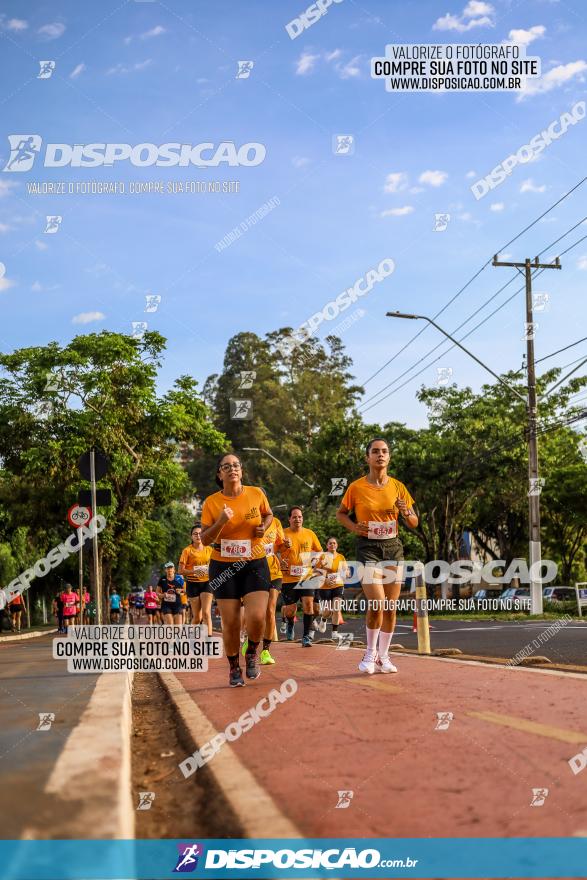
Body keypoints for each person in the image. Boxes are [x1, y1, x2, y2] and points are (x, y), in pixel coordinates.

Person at [336, 437, 418, 674]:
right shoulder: (356, 487)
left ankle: (384, 656)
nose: (380, 455)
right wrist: (354, 527)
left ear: (389, 457)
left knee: (391, 607)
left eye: (384, 451)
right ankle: (369, 653)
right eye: (375, 451)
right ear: (368, 457)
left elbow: (413, 521)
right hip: (368, 548)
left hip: (393, 547)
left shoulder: (398, 487)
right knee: (377, 602)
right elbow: (341, 514)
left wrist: (405, 513)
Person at [201, 452, 273, 687]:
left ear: (241, 471)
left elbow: (269, 515)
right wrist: (221, 521)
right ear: (219, 474)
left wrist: (263, 526)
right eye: (226, 466)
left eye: (236, 465)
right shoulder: (212, 503)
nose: (232, 469)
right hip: (224, 566)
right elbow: (204, 540)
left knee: (257, 616)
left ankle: (252, 651)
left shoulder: (256, 493)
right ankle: (234, 667)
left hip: (254, 561)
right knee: (231, 624)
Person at [242, 513, 288, 665]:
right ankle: (250, 641)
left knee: (270, 610)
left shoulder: (275, 522)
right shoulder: (248, 521)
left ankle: (266, 651)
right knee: (256, 613)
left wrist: (286, 545)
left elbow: (280, 545)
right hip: (254, 572)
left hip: (274, 572)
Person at [280, 506, 323, 647]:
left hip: (307, 577)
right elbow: (272, 552)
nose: (297, 519)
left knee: (309, 605)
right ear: (289, 519)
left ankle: (306, 637)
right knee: (290, 610)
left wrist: (315, 561)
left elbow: (319, 551)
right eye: (294, 517)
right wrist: (281, 558)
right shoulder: (282, 534)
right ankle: (290, 623)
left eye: (299, 517)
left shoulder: (310, 534)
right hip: (289, 578)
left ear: (302, 518)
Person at [179, 524, 213, 635]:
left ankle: (209, 641)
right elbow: (180, 571)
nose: (198, 535)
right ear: (191, 537)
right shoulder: (187, 551)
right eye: (195, 534)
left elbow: (215, 566)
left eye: (200, 533)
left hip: (207, 583)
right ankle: (191, 637)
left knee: (206, 613)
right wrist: (194, 571)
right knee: (197, 617)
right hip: (192, 584)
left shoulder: (209, 549)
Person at [314, 537, 349, 639]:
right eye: (330, 543)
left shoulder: (341, 557)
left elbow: (346, 570)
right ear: (327, 545)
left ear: (337, 545)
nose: (332, 545)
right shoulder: (322, 556)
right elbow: (316, 572)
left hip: (338, 585)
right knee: (328, 610)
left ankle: (334, 633)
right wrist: (325, 579)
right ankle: (323, 619)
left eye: (334, 543)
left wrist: (346, 573)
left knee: (337, 608)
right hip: (325, 586)